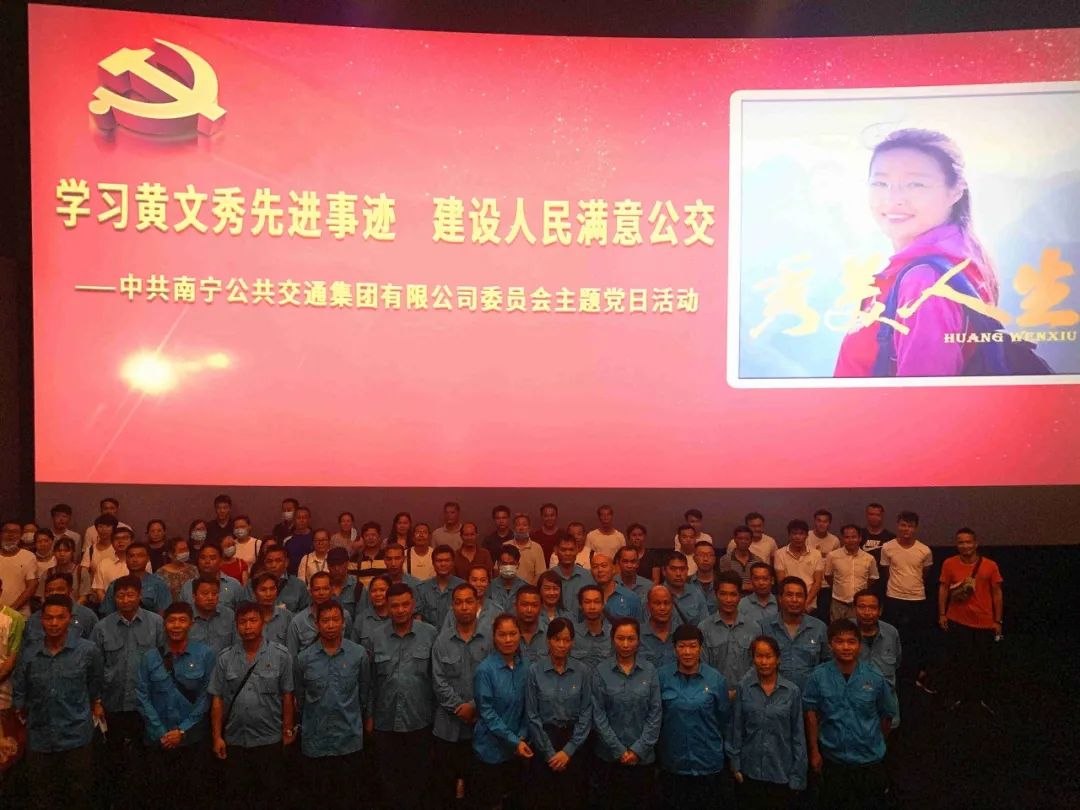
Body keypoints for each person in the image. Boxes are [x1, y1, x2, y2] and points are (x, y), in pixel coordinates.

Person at [835, 128, 1002, 379]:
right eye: (880, 183)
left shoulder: (925, 281)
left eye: (915, 184)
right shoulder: (962, 255)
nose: (893, 199)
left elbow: (924, 396)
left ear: (956, 191)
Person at [12, 595, 103, 810]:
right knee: (42, 797)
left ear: (69, 618)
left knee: (79, 796)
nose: (54, 623)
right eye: (49, 618)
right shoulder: (29, 654)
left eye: (60, 618)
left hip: (76, 737)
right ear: (41, 620)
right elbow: (20, 690)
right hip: (40, 738)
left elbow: (95, 685)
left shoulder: (87, 651)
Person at [804, 620, 897, 810]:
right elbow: (811, 713)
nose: (846, 647)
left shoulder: (875, 677)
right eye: (839, 641)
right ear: (830, 645)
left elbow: (887, 716)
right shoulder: (818, 676)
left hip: (869, 761)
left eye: (851, 642)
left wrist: (875, 741)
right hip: (833, 760)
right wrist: (814, 752)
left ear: (859, 645)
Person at [208, 601, 295, 806]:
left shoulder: (281, 655)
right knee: (237, 798)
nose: (248, 626)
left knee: (271, 797)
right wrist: (217, 737)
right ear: (236, 625)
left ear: (263, 623)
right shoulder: (225, 658)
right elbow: (217, 698)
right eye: (242, 622)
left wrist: (288, 730)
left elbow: (287, 695)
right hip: (236, 740)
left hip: (269, 739)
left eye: (253, 621)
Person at [91, 574, 165, 810]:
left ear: (139, 596)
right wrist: (97, 700)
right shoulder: (102, 627)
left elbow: (165, 661)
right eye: (120, 596)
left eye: (130, 595)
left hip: (147, 704)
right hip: (113, 703)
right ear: (114, 598)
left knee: (148, 758)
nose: (125, 600)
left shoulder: (156, 623)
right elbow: (95, 667)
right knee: (114, 759)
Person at [135, 601, 216, 805]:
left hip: (192, 739)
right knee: (159, 796)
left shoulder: (205, 654)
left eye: (182, 620)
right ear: (164, 624)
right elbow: (142, 696)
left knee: (193, 796)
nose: (177, 625)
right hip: (158, 740)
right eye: (171, 621)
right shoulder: (150, 657)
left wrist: (181, 731)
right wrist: (161, 732)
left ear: (191, 624)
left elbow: (206, 697)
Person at [294, 600, 371, 810]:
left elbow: (365, 693)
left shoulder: (358, 654)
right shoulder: (303, 659)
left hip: (349, 740)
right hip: (315, 742)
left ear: (343, 622)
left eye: (335, 619)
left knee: (349, 798)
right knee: (318, 799)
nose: (330, 625)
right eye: (325, 620)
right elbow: (300, 698)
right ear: (317, 624)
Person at [366, 583, 438, 808]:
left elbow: (436, 679)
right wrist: (369, 716)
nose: (400, 610)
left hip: (420, 721)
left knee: (419, 782)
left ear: (413, 605)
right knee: (388, 783)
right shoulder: (376, 637)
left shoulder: (430, 634)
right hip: (385, 722)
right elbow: (369, 682)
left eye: (405, 605)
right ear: (387, 607)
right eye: (395, 606)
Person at [656, 624, 731, 809]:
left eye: (692, 646)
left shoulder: (716, 680)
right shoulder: (661, 677)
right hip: (673, 764)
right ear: (674, 649)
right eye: (682, 646)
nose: (687, 652)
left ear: (700, 648)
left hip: (708, 763)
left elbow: (723, 720)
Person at [590, 616, 662, 810]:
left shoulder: (650, 671)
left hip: (643, 758)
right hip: (609, 757)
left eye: (631, 639)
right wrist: (619, 750)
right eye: (620, 638)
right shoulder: (601, 671)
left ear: (638, 640)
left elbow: (655, 714)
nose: (625, 644)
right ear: (612, 639)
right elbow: (598, 715)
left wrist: (638, 750)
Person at [728, 635, 807, 810]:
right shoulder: (744, 689)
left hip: (781, 771)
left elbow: (798, 736)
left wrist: (797, 775)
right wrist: (735, 765)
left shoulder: (792, 691)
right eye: (759, 656)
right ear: (753, 659)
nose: (764, 662)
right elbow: (736, 729)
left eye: (769, 656)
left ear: (778, 659)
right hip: (749, 772)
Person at [431, 583, 491, 809]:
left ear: (477, 604)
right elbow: (438, 681)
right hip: (448, 728)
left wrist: (474, 706)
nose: (464, 607)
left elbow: (495, 679)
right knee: (445, 791)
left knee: (480, 790)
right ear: (452, 606)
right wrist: (461, 708)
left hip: (482, 726)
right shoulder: (441, 641)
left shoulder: (489, 639)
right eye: (458, 602)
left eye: (469, 602)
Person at [526, 617, 593, 810]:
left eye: (566, 640)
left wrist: (568, 750)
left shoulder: (582, 671)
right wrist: (549, 753)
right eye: (557, 639)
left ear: (572, 642)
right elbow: (532, 715)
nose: (562, 645)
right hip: (544, 740)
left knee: (573, 799)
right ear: (548, 640)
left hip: (574, 742)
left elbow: (586, 712)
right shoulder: (535, 671)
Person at [938, 527, 1003, 714]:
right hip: (957, 620)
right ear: (956, 544)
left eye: (968, 542)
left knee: (983, 662)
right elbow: (943, 589)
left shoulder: (990, 565)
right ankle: (958, 696)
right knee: (958, 661)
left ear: (975, 544)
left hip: (984, 622)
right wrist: (942, 614)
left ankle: (983, 697)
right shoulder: (949, 563)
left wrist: (998, 621)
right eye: (961, 542)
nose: (965, 545)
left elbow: (997, 593)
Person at [472, 613, 533, 810]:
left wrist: (522, 735)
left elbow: (529, 706)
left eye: (512, 634)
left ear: (520, 635)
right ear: (494, 637)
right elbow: (487, 713)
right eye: (502, 634)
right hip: (491, 750)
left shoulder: (526, 667)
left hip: (518, 750)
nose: (508, 640)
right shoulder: (485, 670)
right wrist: (514, 741)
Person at [879, 511, 934, 692]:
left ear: (916, 528)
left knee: (914, 640)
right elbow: (886, 572)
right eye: (903, 525)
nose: (906, 529)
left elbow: (925, 574)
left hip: (917, 599)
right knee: (892, 639)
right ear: (897, 525)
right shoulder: (887, 547)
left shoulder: (924, 550)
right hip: (894, 598)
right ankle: (891, 675)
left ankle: (913, 677)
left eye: (910, 526)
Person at [700, 572, 761, 697]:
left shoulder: (753, 628)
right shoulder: (704, 628)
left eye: (733, 594)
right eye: (723, 594)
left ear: (740, 596)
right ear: (716, 594)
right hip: (713, 696)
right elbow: (702, 666)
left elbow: (757, 665)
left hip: (747, 696)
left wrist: (739, 691)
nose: (728, 600)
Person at [762, 577, 829, 692]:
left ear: (805, 599)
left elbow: (828, 663)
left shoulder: (819, 628)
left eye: (799, 595)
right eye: (789, 595)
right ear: (780, 599)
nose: (794, 600)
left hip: (810, 694)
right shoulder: (765, 627)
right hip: (775, 695)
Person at [854, 590, 901, 728]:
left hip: (885, 705)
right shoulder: (845, 633)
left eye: (872, 608)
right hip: (853, 705)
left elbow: (897, 662)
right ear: (854, 609)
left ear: (880, 610)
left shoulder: (891, 633)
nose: (867, 612)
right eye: (862, 607)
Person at [286, 571, 353, 659]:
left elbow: (350, 647)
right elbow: (292, 657)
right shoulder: (297, 622)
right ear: (310, 592)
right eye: (317, 589)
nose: (321, 593)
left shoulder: (344, 615)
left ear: (332, 590)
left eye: (325, 589)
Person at [24, 572, 97, 645]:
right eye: (49, 590)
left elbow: (95, 646)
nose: (54, 593)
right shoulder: (34, 619)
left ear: (70, 591)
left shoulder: (87, 616)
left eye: (60, 589)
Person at [100, 541, 172, 615]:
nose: (135, 560)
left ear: (148, 559)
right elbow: (107, 614)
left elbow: (164, 613)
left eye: (140, 556)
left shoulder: (158, 584)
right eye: (131, 556)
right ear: (126, 559)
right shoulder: (115, 585)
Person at [825, 525, 880, 621]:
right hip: (838, 603)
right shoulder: (832, 556)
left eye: (854, 537)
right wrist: (840, 587)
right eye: (847, 537)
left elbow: (873, 578)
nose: (850, 540)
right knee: (836, 629)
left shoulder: (869, 558)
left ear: (860, 538)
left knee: (858, 629)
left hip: (859, 605)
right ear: (842, 539)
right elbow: (828, 575)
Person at [773, 519, 825, 613]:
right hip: (788, 603)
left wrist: (805, 603)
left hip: (809, 604)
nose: (797, 537)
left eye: (801, 534)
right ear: (789, 535)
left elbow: (817, 582)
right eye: (794, 533)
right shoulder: (779, 554)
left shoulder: (816, 554)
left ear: (807, 535)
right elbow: (781, 581)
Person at [243, 545, 309, 613]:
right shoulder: (252, 584)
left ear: (286, 563)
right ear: (264, 563)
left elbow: (306, 612)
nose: (273, 565)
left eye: (278, 561)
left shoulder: (298, 585)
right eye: (269, 561)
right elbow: (246, 610)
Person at [416, 545, 466, 629]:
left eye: (447, 560)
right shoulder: (421, 588)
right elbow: (418, 620)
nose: (443, 564)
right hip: (429, 635)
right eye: (439, 561)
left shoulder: (463, 587)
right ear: (433, 563)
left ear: (453, 563)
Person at [180, 543, 243, 609]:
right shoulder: (188, 586)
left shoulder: (233, 585)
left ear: (221, 561)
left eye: (212, 558)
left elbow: (242, 612)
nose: (207, 561)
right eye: (203, 558)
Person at [189, 576, 238, 654]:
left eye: (214, 593)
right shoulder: (185, 617)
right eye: (205, 594)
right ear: (194, 596)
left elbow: (237, 646)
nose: (210, 598)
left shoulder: (229, 615)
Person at [0, 520, 38, 617]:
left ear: (21, 535)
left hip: (20, 615)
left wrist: (11, 610)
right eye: (6, 531)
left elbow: (31, 587)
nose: (10, 535)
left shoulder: (29, 556)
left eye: (15, 532)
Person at [662, 551, 709, 628]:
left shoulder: (696, 593)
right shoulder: (656, 595)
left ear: (687, 570)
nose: (678, 574)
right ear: (664, 571)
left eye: (682, 569)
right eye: (673, 569)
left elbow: (705, 626)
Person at [591, 552, 641, 622]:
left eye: (604, 566)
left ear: (614, 569)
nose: (600, 570)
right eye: (595, 567)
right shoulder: (587, 597)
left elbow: (639, 626)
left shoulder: (631, 597)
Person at [572, 585, 612, 670]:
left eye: (597, 602)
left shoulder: (613, 633)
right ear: (580, 605)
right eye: (587, 602)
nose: (592, 607)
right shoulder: (572, 634)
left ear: (603, 605)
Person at [639, 585, 679, 670]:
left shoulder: (681, 634)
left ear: (672, 606)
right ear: (648, 606)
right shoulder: (637, 635)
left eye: (666, 603)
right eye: (657, 603)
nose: (662, 608)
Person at [250, 570, 293, 646]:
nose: (268, 594)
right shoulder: (248, 619)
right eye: (263, 590)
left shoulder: (287, 617)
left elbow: (292, 648)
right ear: (254, 593)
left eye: (272, 589)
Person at [552, 535, 595, 611]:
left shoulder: (588, 577)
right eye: (563, 550)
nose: (568, 553)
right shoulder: (548, 577)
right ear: (556, 550)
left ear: (577, 550)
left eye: (571, 550)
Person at [719, 525, 765, 593]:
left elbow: (759, 584)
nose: (743, 541)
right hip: (732, 595)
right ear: (735, 540)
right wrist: (745, 586)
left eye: (747, 539)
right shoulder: (725, 559)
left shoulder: (758, 561)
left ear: (751, 540)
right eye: (740, 538)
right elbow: (725, 582)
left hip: (753, 596)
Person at [505, 514, 548, 585]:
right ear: (513, 528)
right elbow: (498, 569)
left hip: (530, 589)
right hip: (508, 588)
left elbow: (540, 574)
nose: (521, 528)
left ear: (529, 528)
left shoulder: (537, 547)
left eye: (524, 525)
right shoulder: (506, 546)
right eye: (518, 525)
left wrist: (528, 589)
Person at [351, 574, 391, 648]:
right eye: (373, 591)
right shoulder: (361, 619)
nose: (377, 594)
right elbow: (353, 648)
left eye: (382, 590)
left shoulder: (398, 616)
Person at [157, 536, 199, 602]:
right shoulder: (161, 573)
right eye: (181, 550)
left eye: (186, 549)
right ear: (171, 554)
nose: (185, 552)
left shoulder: (193, 569)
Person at [488, 545, 529, 612]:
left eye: (512, 563)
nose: (508, 567)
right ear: (498, 564)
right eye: (504, 563)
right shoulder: (490, 586)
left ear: (517, 565)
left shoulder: (525, 588)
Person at [515, 586, 547, 662]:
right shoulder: (507, 634)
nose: (529, 610)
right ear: (515, 606)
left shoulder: (549, 634)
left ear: (541, 607)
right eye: (524, 605)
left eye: (534, 605)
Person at [326, 546, 359, 619]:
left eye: (340, 564)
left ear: (347, 563)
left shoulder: (358, 586)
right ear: (327, 566)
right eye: (332, 565)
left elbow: (361, 618)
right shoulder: (322, 586)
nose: (336, 568)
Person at [353, 521, 389, 587]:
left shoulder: (387, 557)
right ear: (362, 538)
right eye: (367, 535)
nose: (370, 538)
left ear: (379, 537)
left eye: (373, 535)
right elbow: (352, 583)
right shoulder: (355, 559)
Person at [282, 506, 314, 576]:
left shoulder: (315, 538)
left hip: (312, 575)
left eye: (304, 518)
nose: (301, 520)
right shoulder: (287, 540)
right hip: (292, 576)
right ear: (294, 520)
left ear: (309, 519)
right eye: (298, 518)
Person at [689, 540, 718, 614]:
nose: (705, 559)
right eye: (701, 555)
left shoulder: (723, 581)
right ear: (694, 558)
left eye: (709, 555)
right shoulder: (686, 583)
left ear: (714, 559)